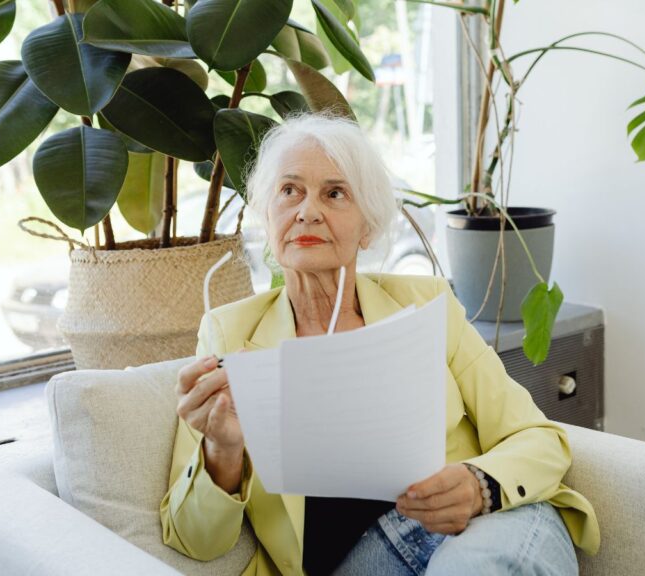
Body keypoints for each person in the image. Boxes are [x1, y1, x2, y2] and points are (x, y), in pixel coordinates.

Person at [160, 112, 599, 576]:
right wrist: (222, 451)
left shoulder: (426, 304)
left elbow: (538, 437)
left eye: (334, 193)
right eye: (289, 191)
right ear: (268, 217)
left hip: (480, 528)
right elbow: (195, 541)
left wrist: (478, 485)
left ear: (366, 226)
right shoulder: (228, 334)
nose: (307, 210)